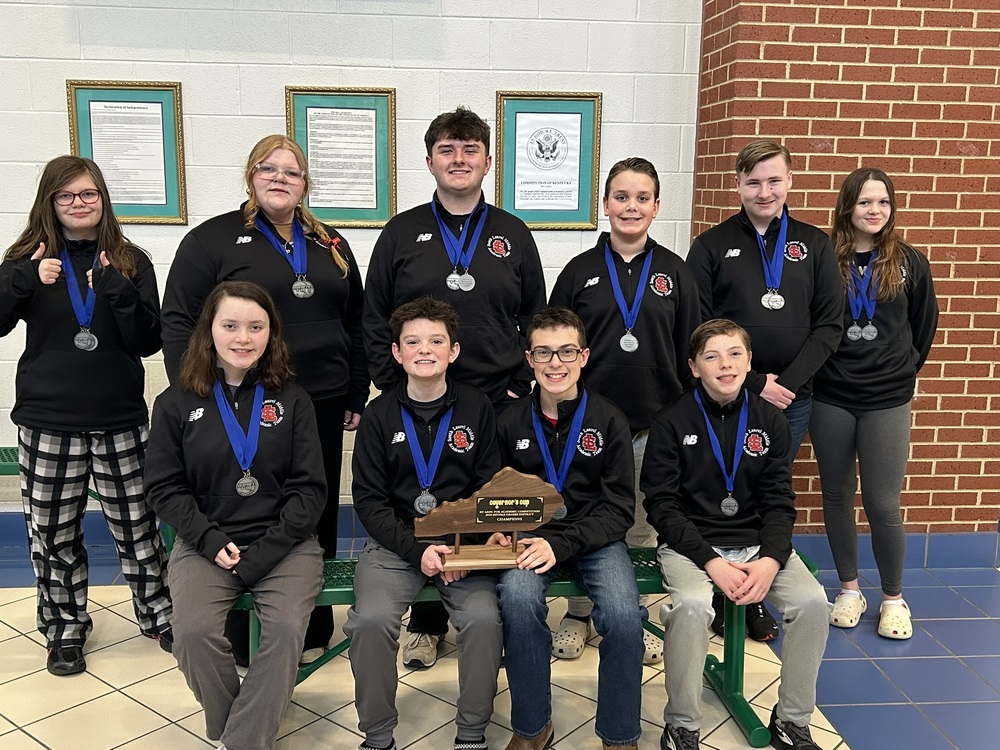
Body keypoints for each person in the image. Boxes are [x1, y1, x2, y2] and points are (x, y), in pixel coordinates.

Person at [161, 134, 368, 662]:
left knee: (311, 507)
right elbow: (180, 318)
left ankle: (309, 625)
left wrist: (355, 388)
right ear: (250, 175)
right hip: (237, 400)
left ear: (305, 184)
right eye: (268, 168)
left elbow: (357, 319)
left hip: (316, 398)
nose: (280, 179)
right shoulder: (213, 240)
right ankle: (234, 628)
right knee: (241, 504)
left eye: (292, 172)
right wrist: (196, 390)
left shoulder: (330, 243)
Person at [363, 106, 545, 668]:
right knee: (425, 494)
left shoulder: (512, 234)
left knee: (488, 505)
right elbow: (374, 318)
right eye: (448, 149)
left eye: (470, 150)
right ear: (429, 160)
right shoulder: (401, 232)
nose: (459, 159)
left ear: (488, 161)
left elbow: (535, 318)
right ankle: (426, 622)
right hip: (418, 402)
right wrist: (396, 385)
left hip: (496, 400)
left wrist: (521, 384)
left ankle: (481, 610)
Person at [0, 155, 172, 676]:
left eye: (88, 194)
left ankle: (158, 614)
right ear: (50, 202)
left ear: (103, 199)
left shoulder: (131, 259)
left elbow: (149, 340)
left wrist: (117, 290)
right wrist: (26, 280)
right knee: (52, 531)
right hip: (48, 419)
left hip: (119, 415)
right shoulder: (27, 257)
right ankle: (65, 628)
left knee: (137, 525)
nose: (79, 204)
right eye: (66, 196)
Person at [145, 280, 326, 750]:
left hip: (285, 546)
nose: (243, 337)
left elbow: (309, 491)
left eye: (255, 326)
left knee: (286, 630)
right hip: (206, 542)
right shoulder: (175, 403)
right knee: (191, 634)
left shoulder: (293, 400)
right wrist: (207, 539)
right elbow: (164, 487)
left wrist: (261, 555)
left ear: (271, 334)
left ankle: (238, 741)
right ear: (210, 330)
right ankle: (245, 732)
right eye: (230, 325)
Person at [641, 319, 829, 750]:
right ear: (694, 367)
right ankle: (683, 724)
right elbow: (662, 506)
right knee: (690, 606)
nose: (724, 365)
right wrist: (710, 561)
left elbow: (780, 500)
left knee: (813, 603)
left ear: (749, 362)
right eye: (711, 356)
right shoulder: (671, 421)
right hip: (691, 546)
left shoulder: (770, 420)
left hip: (758, 542)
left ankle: (793, 719)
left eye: (734, 354)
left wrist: (771, 558)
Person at [686, 139, 843, 642]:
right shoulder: (711, 245)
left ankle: (754, 594)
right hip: (723, 392)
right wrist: (754, 380)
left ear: (790, 181)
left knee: (760, 491)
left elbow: (830, 325)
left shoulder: (813, 244)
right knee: (715, 484)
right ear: (738, 184)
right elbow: (699, 325)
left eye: (774, 180)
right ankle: (717, 586)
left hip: (791, 400)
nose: (764, 190)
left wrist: (784, 386)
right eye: (753, 181)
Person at [549, 156, 699, 665]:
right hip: (585, 424)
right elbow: (555, 347)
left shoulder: (676, 272)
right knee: (579, 513)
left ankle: (630, 612)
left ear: (657, 207)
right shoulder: (579, 272)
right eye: (620, 197)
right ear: (605, 204)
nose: (630, 207)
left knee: (637, 523)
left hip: (652, 425)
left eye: (641, 198)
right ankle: (576, 612)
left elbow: (691, 351)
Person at [346, 296, 502, 750]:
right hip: (396, 546)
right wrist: (419, 551)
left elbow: (487, 487)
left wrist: (461, 545)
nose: (425, 349)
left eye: (436, 340)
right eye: (412, 341)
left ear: (453, 351)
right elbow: (370, 502)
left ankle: (471, 733)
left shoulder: (477, 408)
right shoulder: (378, 416)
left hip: (460, 546)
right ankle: (378, 736)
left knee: (484, 620)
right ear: (397, 353)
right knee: (369, 622)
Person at [493, 307, 644, 750]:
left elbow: (618, 510)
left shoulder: (610, 419)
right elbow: (495, 498)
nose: (555, 362)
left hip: (595, 539)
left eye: (565, 351)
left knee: (622, 617)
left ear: (584, 356)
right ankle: (532, 727)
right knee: (518, 603)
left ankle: (619, 735)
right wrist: (501, 532)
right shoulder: (508, 421)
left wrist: (561, 545)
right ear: (529, 358)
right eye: (544, 352)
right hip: (529, 541)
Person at [810, 168, 938, 640]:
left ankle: (893, 598)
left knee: (883, 503)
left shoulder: (907, 261)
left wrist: (900, 370)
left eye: (883, 203)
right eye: (865, 202)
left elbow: (924, 326)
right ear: (847, 206)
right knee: (837, 495)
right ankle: (848, 588)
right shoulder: (824, 259)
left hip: (887, 399)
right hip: (832, 396)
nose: (875, 211)